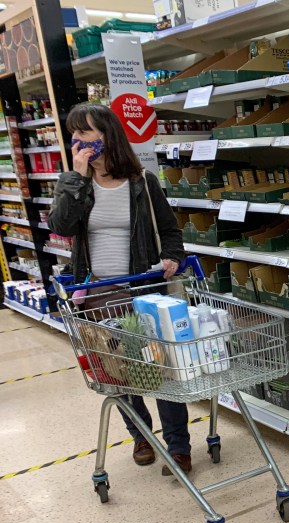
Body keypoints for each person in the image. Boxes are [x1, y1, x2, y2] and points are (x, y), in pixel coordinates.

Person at [49, 103, 193, 475]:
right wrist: (77, 178)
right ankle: (142, 436)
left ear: (107, 135)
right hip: (97, 294)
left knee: (161, 371)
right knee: (118, 372)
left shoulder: (142, 182)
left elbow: (171, 230)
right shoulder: (74, 182)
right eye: (74, 134)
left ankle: (178, 447)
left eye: (85, 132)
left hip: (143, 289)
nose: (77, 140)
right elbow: (62, 227)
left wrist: (173, 257)